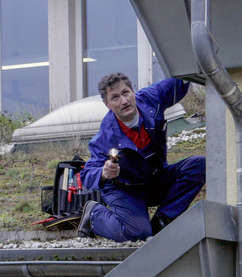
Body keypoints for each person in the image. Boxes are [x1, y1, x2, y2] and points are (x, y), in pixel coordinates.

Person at [77, 72, 205, 242]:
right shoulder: (104, 137)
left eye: (125, 93)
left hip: (154, 178)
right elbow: (86, 175)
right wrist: (104, 172)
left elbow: (179, 79)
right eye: (115, 97)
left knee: (199, 165)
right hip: (125, 190)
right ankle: (94, 215)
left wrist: (189, 60)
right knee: (139, 234)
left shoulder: (151, 98)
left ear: (133, 91)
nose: (124, 101)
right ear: (106, 104)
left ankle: (163, 220)